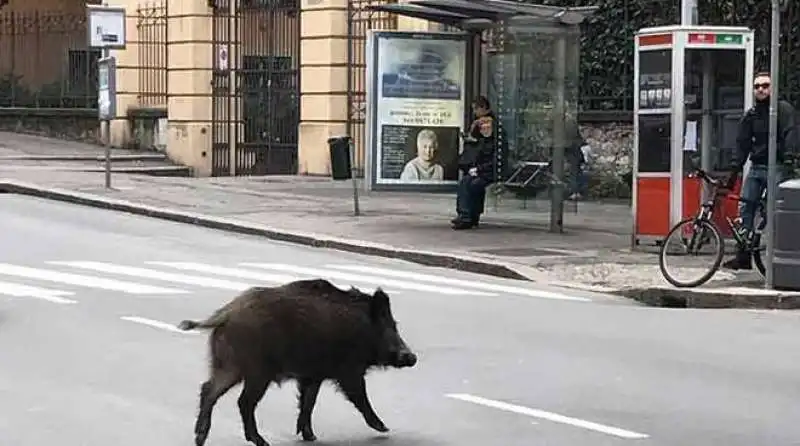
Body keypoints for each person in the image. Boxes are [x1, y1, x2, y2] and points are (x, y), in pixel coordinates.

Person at [723, 71, 798, 270]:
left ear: (772, 88)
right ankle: (743, 255)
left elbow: (790, 132)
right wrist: (734, 170)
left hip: (778, 166)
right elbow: (742, 144)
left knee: (775, 210)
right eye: (757, 86)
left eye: (765, 85)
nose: (761, 89)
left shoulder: (783, 110)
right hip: (757, 167)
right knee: (745, 208)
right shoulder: (752, 115)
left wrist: (790, 156)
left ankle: (778, 252)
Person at [451, 96, 504, 230]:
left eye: (476, 109)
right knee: (470, 182)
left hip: (489, 169)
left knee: (470, 183)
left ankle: (466, 216)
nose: (484, 128)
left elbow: (494, 157)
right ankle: (469, 216)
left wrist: (478, 169)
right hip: (482, 168)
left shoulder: (493, 133)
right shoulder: (482, 131)